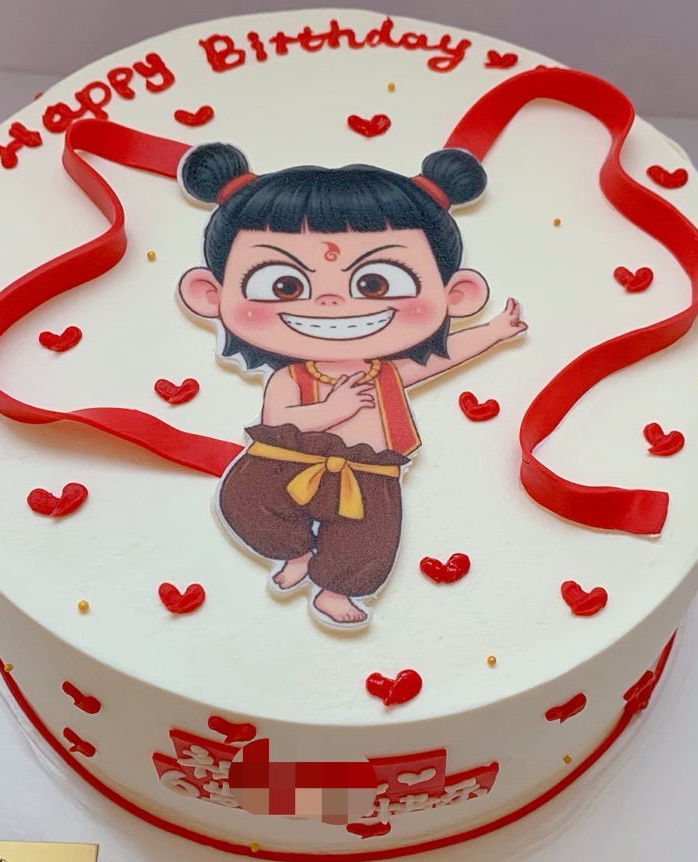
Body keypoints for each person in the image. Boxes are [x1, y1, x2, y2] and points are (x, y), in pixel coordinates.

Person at [178, 143, 527, 631]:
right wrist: (334, 409)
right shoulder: (290, 377)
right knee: (246, 504)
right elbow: (280, 421)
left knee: (370, 539)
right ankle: (295, 551)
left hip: (370, 472)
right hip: (284, 465)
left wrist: (493, 332)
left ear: (456, 295)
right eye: (284, 285)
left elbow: (439, 359)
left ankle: (336, 589)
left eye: (374, 284)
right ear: (210, 296)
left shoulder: (385, 374)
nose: (329, 302)